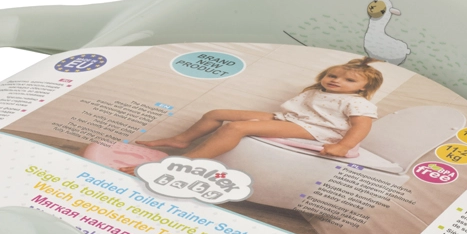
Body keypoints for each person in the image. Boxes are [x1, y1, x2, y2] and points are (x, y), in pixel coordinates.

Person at [134, 57, 384, 164]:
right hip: (293, 119)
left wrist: (343, 146)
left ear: (364, 88)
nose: (336, 80)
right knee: (216, 113)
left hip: (319, 130)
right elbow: (296, 112)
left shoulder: (358, 103)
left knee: (236, 128)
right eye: (333, 75)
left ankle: (186, 162)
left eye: (349, 80)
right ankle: (181, 140)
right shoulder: (317, 91)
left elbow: (361, 126)